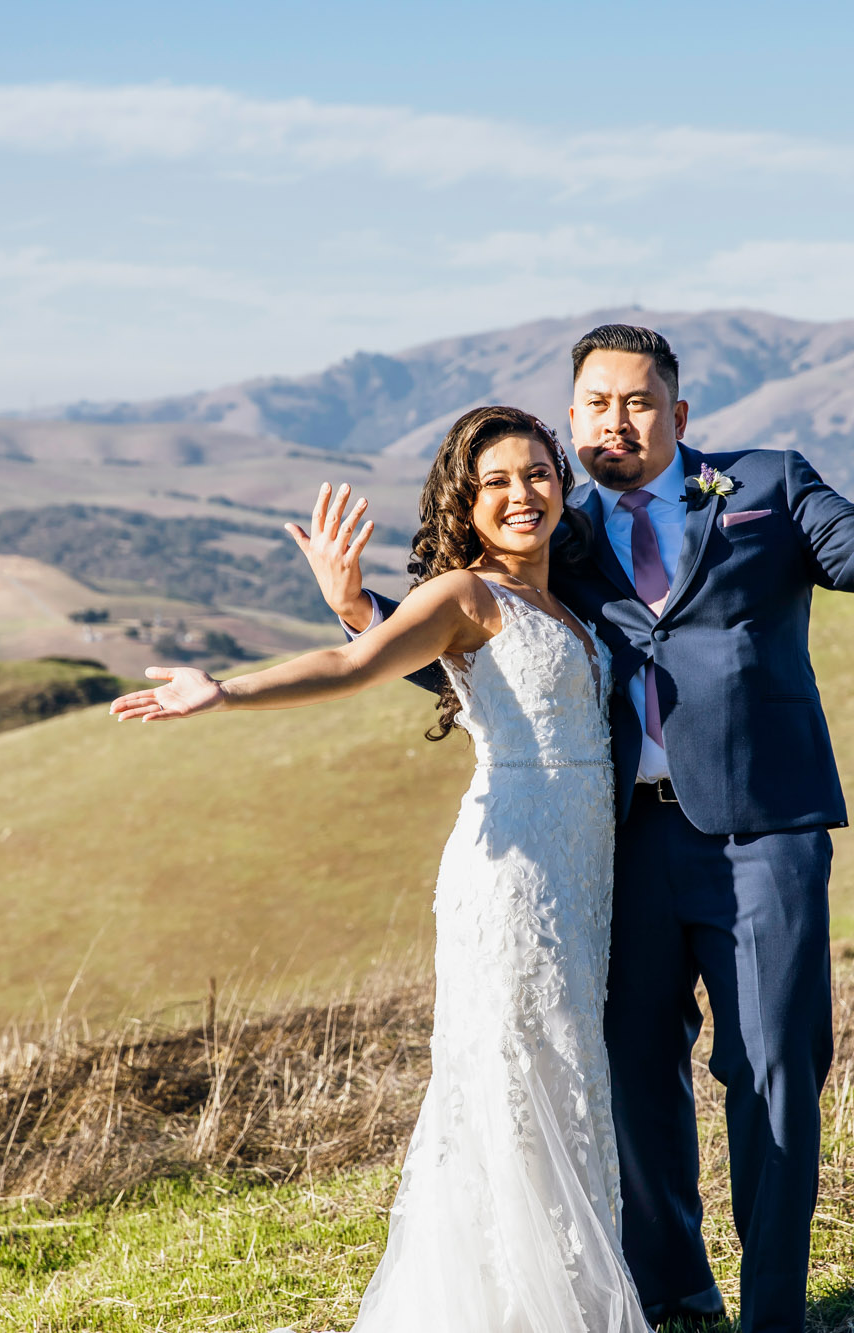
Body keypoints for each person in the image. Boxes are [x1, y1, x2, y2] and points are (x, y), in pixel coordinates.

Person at [288, 323, 854, 1333]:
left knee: (771, 1070)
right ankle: (672, 1292)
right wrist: (358, 610)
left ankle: (770, 1315)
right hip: (621, 842)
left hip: (763, 833)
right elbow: (483, 650)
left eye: (635, 402)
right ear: (571, 415)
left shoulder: (767, 485)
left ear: (677, 413)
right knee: (629, 1069)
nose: (614, 422)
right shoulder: (558, 527)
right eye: (593, 404)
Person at [112, 405, 652, 1332]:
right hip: (513, 879)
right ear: (466, 503)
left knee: (560, 1077)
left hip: (581, 874)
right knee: (511, 1078)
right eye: (497, 483)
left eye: (537, 474)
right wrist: (227, 691)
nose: (522, 494)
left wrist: (356, 598)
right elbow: (353, 664)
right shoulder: (463, 596)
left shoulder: (563, 602)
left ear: (562, 483)